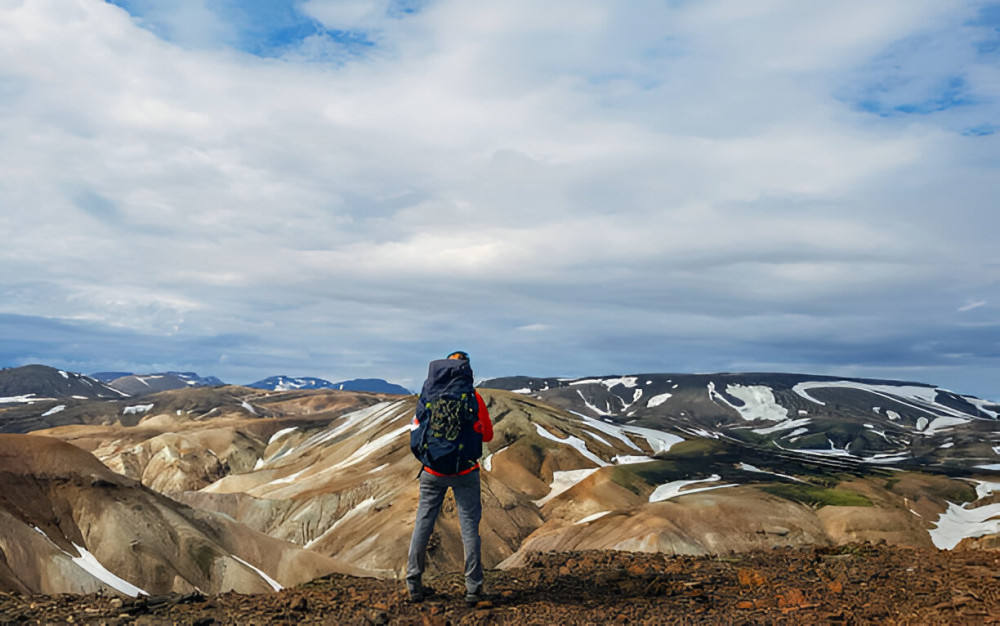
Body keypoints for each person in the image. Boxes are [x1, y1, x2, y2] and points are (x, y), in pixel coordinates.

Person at [406, 351, 494, 604]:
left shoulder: (429, 394)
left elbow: (416, 429)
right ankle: (473, 589)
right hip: (466, 471)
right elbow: (487, 436)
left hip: (432, 471)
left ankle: (414, 584)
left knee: (423, 523)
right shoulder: (473, 398)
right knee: (469, 529)